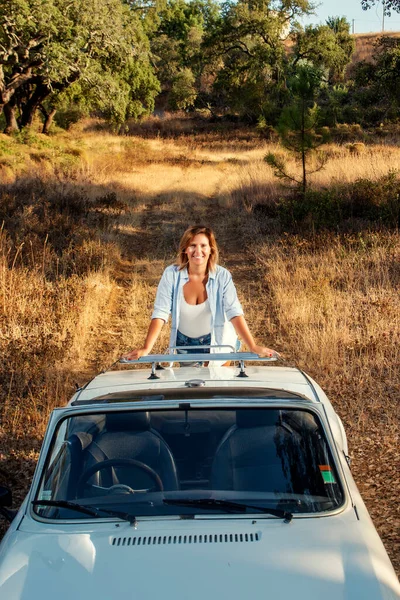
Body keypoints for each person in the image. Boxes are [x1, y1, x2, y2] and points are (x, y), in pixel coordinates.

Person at [122, 225, 278, 362]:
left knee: (218, 384)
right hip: (184, 343)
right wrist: (146, 348)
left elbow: (234, 312)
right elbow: (160, 313)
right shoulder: (171, 274)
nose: (198, 251)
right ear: (185, 249)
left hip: (218, 340)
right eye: (192, 245)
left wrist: (252, 346)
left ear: (211, 250)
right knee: (191, 389)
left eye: (203, 245)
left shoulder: (222, 276)